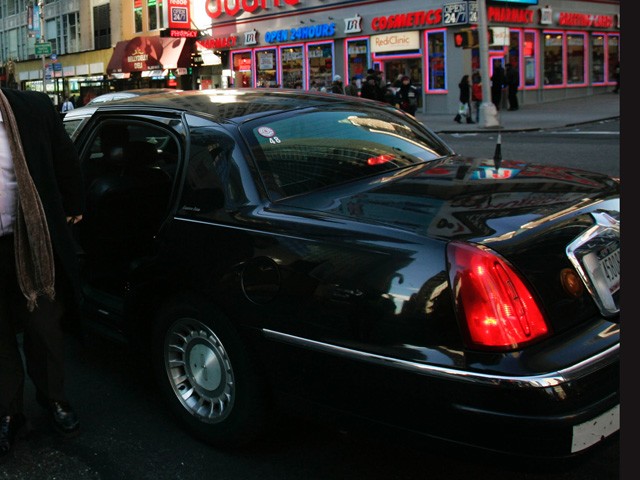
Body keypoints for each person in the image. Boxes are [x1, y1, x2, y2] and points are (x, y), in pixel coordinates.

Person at [0, 88, 85, 457]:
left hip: (29, 240)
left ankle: (53, 399)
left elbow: (64, 157)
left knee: (44, 325)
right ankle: (8, 412)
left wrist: (74, 201)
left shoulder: (33, 108)